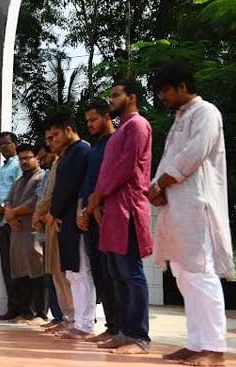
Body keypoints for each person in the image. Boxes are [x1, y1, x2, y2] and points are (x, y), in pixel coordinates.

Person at [148, 61, 234, 367]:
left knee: (201, 273)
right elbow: (169, 158)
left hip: (198, 205)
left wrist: (160, 184)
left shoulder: (207, 112)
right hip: (177, 205)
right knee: (184, 275)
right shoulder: (179, 119)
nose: (162, 98)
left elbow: (194, 153)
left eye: (165, 91)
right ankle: (197, 343)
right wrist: (156, 190)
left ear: (183, 86)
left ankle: (215, 348)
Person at [84, 79, 153, 354]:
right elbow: (107, 170)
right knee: (115, 273)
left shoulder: (137, 125)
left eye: (116, 95)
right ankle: (123, 331)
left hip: (128, 207)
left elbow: (125, 168)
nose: (110, 100)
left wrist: (98, 195)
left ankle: (139, 336)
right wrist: (98, 200)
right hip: (112, 208)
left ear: (131, 97)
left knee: (130, 273)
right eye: (110, 95)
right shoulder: (121, 130)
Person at [44, 113, 92, 340]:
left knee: (81, 273)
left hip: (75, 219)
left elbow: (71, 188)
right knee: (72, 273)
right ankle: (77, 322)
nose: (51, 141)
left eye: (55, 135)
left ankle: (84, 324)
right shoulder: (67, 155)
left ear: (69, 129)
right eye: (49, 138)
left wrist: (53, 214)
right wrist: (54, 215)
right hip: (64, 220)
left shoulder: (81, 151)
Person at [77, 99, 119, 344]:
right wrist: (83, 210)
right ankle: (112, 326)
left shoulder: (116, 142)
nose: (90, 125)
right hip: (90, 216)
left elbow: (113, 178)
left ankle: (122, 327)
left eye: (93, 119)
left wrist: (97, 206)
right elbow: (88, 182)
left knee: (114, 272)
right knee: (100, 274)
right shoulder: (95, 148)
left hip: (108, 214)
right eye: (87, 121)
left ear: (107, 116)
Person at [4, 144, 48, 324]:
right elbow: (7, 199)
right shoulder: (19, 181)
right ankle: (26, 312)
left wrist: (12, 213)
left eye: (27, 158)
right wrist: (9, 214)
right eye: (21, 159)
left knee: (37, 269)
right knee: (20, 270)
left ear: (36, 158)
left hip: (33, 229)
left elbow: (36, 202)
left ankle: (41, 313)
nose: (23, 161)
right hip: (17, 230)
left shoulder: (42, 177)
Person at [0, 131, 22, 320]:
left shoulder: (19, 165)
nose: (3, 148)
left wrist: (3, 209)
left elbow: (18, 191)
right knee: (7, 267)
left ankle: (23, 308)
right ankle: (12, 307)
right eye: (0, 145)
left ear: (15, 144)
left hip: (15, 220)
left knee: (18, 266)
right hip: (1, 223)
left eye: (7, 144)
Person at [32, 144, 64, 327]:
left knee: (63, 274)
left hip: (56, 223)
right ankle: (58, 316)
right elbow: (41, 196)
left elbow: (54, 196)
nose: (42, 161)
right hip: (45, 226)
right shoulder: (48, 172)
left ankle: (69, 318)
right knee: (50, 274)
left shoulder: (60, 166)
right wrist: (39, 216)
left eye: (44, 157)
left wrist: (46, 214)